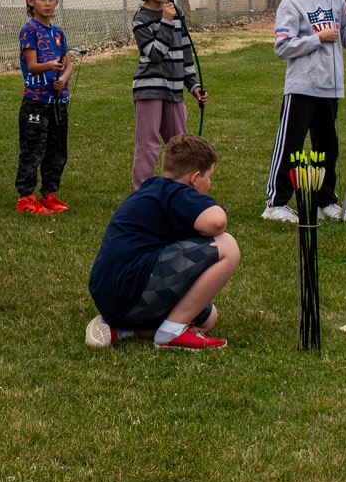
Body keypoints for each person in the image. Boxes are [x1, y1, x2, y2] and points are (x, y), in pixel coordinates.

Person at [85, 134, 237, 351]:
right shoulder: (177, 193)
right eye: (209, 177)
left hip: (113, 295)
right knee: (227, 246)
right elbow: (216, 221)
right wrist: (215, 207)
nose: (210, 184)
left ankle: (125, 331)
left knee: (208, 318)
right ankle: (171, 333)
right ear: (195, 178)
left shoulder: (153, 187)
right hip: (131, 288)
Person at [263, 0, 346, 224]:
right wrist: (316, 39)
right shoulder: (291, 3)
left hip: (330, 87)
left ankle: (326, 201)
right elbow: (282, 47)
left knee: (327, 147)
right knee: (291, 145)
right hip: (301, 87)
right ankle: (276, 203)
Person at [130, 0, 204, 187]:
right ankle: (142, 192)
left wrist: (192, 84)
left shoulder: (176, 13)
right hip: (150, 89)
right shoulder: (141, 19)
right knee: (149, 143)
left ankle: (180, 189)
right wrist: (165, 22)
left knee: (180, 143)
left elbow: (185, 51)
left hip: (174, 89)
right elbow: (154, 54)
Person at [14, 0, 75, 214]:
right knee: (33, 149)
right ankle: (26, 197)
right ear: (31, 1)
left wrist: (63, 79)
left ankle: (49, 193)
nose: (48, 4)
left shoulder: (58, 32)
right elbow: (32, 65)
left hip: (58, 101)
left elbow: (68, 63)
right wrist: (50, 65)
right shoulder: (29, 30)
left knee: (57, 149)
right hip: (36, 102)